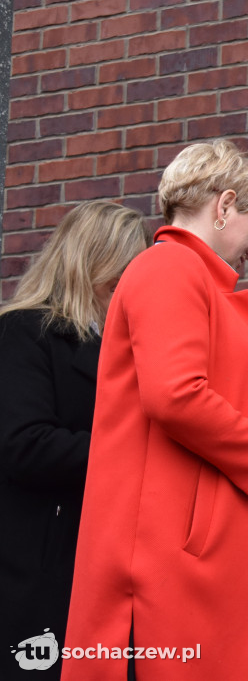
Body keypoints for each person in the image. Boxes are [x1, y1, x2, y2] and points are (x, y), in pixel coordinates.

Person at [62, 140, 248, 681]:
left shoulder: (183, 273)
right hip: (172, 560)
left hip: (191, 549)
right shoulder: (170, 268)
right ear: (225, 205)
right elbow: (176, 395)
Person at [0, 201, 148, 681]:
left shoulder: (120, 346)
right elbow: (25, 444)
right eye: (120, 279)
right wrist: (137, 453)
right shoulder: (24, 330)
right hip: (40, 564)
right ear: (93, 267)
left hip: (98, 561)